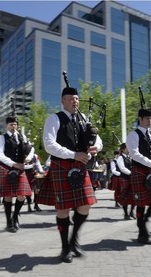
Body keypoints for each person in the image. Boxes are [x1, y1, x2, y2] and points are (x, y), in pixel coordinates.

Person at [37, 86, 103, 263]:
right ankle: (65, 247)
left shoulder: (83, 119)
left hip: (80, 167)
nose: (75, 101)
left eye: (77, 98)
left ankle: (74, 240)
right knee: (63, 209)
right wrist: (73, 154)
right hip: (62, 166)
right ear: (62, 101)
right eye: (71, 98)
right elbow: (49, 144)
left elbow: (97, 138)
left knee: (85, 206)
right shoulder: (54, 119)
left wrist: (97, 147)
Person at [125, 108, 151, 245]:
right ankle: (142, 231)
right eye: (147, 119)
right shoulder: (133, 134)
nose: (150, 121)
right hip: (140, 171)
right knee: (141, 204)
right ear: (140, 119)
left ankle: (143, 221)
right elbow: (135, 155)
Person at [0, 116, 34, 233]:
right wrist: (13, 164)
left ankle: (15, 216)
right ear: (7, 126)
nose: (13, 126)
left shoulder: (22, 137)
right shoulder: (2, 138)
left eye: (15, 124)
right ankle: (8, 221)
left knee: (22, 195)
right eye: (11, 124)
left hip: (20, 169)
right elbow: (0, 155)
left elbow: (31, 149)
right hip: (7, 169)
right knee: (8, 196)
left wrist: (28, 158)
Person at [116, 143, 135, 220]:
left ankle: (131, 212)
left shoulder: (130, 157)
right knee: (125, 197)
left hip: (131, 178)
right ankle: (126, 214)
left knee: (134, 196)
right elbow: (122, 168)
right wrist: (131, 173)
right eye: (127, 148)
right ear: (123, 149)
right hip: (124, 178)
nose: (129, 149)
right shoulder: (120, 158)